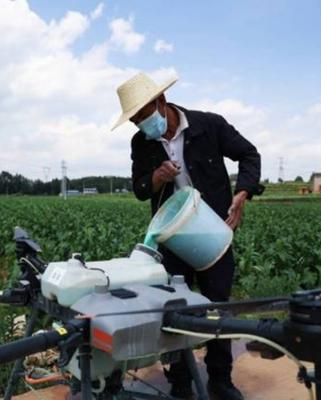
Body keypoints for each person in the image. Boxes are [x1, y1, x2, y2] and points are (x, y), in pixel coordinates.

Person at [112, 72, 263, 400]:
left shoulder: (209, 125)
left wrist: (243, 194)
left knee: (218, 306)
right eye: (135, 120)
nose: (141, 124)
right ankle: (181, 381)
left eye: (143, 115)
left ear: (161, 102)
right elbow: (140, 189)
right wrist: (155, 177)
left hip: (212, 232)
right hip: (174, 236)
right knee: (174, 310)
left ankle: (220, 380)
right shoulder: (142, 143)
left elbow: (250, 156)